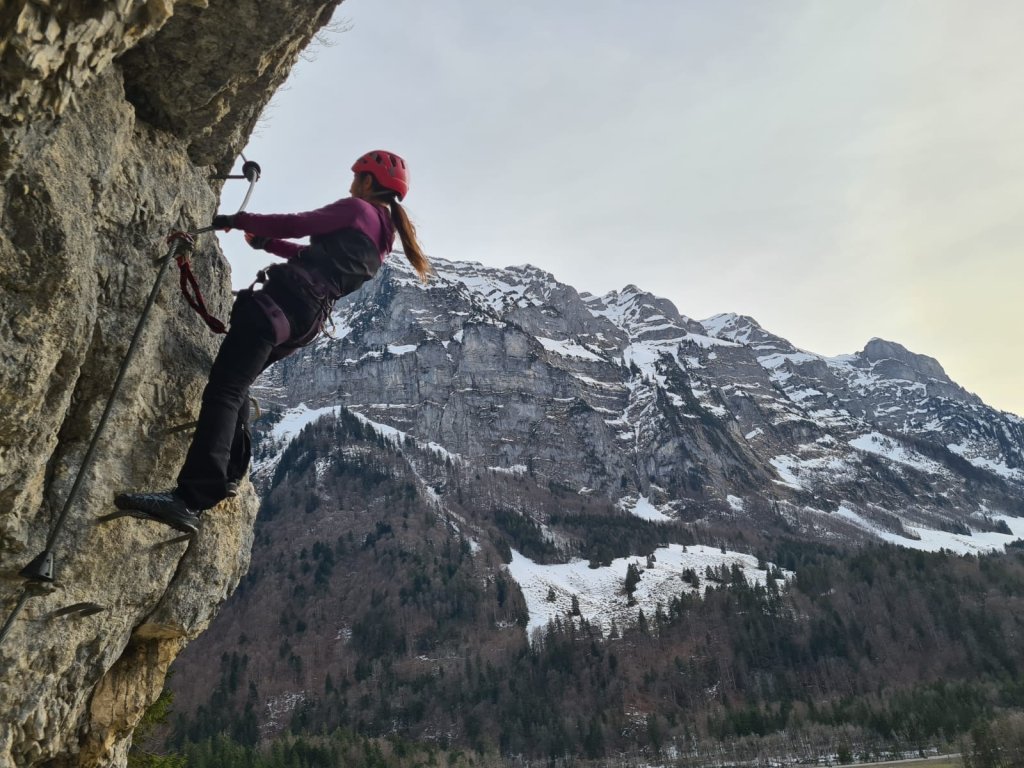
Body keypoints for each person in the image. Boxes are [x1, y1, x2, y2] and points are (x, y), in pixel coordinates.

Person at [115, 150, 431, 533]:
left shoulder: (356, 209)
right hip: (304, 321)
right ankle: (229, 473)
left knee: (225, 390)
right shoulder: (382, 239)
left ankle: (191, 497)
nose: (351, 183)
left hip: (279, 302)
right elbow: (309, 253)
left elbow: (298, 224)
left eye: (356, 176)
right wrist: (266, 243)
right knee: (238, 388)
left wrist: (238, 220)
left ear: (368, 181)